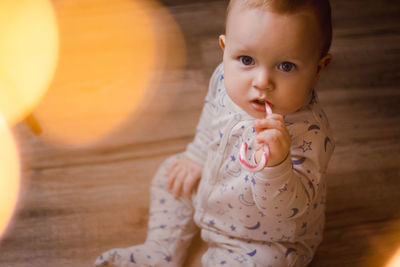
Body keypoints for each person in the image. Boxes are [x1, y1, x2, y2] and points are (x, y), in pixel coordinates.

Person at [94, 0, 335, 266]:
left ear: (318, 70)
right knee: (170, 174)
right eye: (247, 60)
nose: (262, 82)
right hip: (211, 188)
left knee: (271, 261)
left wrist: (277, 165)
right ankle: (160, 251)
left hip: (265, 240)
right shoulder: (224, 78)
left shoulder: (310, 134)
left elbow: (286, 211)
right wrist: (197, 156)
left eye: (286, 66)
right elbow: (211, 116)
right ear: (225, 49)